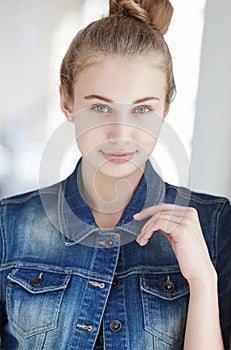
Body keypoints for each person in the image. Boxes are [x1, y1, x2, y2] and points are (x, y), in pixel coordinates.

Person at [0, 0, 230, 349]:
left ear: (165, 108)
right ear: (67, 102)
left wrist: (202, 281)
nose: (121, 133)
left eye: (142, 109)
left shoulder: (216, 226)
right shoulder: (8, 224)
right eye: (100, 107)